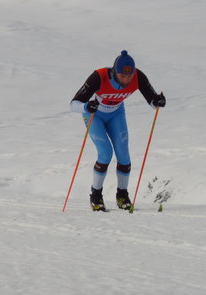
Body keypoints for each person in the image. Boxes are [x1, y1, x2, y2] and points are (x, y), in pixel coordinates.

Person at [70, 50, 165, 212]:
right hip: (94, 115)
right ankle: (96, 196)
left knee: (123, 155)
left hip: (116, 114)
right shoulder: (99, 77)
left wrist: (158, 101)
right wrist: (86, 106)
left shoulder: (138, 77)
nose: (126, 80)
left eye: (129, 76)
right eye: (122, 76)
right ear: (115, 72)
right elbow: (73, 104)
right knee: (105, 153)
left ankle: (122, 196)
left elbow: (152, 100)